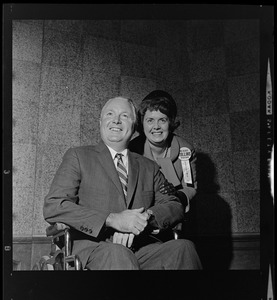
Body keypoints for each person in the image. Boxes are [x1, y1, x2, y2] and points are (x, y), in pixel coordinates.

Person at [43, 96, 202, 270]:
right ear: (101, 121)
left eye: (125, 116)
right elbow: (55, 205)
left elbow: (174, 204)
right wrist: (112, 220)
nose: (116, 120)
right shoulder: (78, 156)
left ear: (134, 126)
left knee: (184, 248)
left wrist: (145, 218)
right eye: (110, 114)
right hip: (95, 247)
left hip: (140, 248)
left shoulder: (149, 166)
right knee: (118, 254)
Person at [129, 90, 197, 232]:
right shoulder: (132, 149)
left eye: (162, 120)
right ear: (142, 123)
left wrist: (177, 196)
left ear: (170, 122)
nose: (156, 127)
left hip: (172, 217)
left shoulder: (185, 150)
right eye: (150, 120)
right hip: (139, 217)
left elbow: (190, 187)